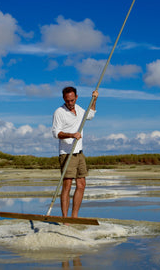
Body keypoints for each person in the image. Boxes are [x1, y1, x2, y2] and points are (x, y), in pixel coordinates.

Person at [52, 86, 98, 219]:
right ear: (64, 99)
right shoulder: (59, 112)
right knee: (67, 186)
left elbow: (90, 114)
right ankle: (65, 219)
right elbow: (56, 133)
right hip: (66, 153)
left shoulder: (79, 109)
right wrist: (72, 135)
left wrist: (94, 99)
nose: (70, 103)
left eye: (72, 100)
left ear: (76, 97)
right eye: (67, 101)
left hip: (79, 152)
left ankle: (75, 217)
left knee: (81, 184)